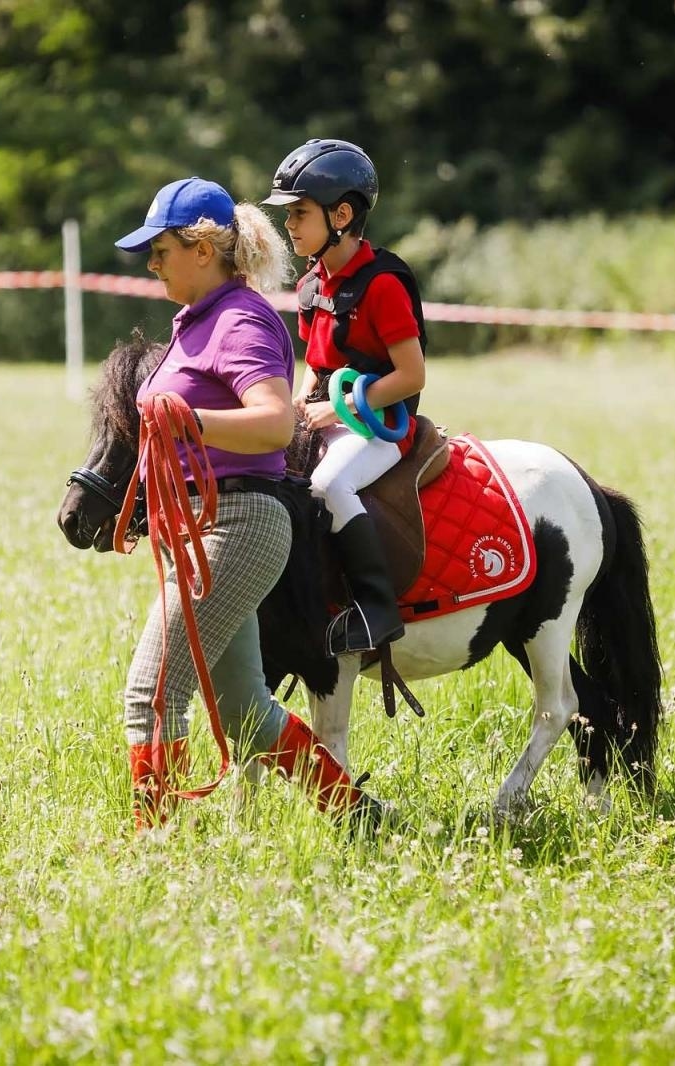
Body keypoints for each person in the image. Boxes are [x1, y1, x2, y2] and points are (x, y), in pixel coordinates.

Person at [112, 176, 380, 832]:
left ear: (203, 249)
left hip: (237, 524)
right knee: (244, 713)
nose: (152, 264)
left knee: (150, 697)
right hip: (204, 526)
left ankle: (155, 851)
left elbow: (274, 424)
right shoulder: (198, 321)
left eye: (161, 251)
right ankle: (359, 816)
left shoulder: (240, 319)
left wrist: (190, 421)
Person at [262, 139, 428, 656]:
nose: (288, 223)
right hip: (329, 412)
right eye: (287, 213)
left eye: (299, 212)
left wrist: (339, 408)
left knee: (330, 483)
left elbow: (412, 374)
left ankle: (378, 609)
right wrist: (295, 409)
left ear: (341, 214)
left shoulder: (382, 287)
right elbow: (314, 365)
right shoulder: (312, 285)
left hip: (383, 425)